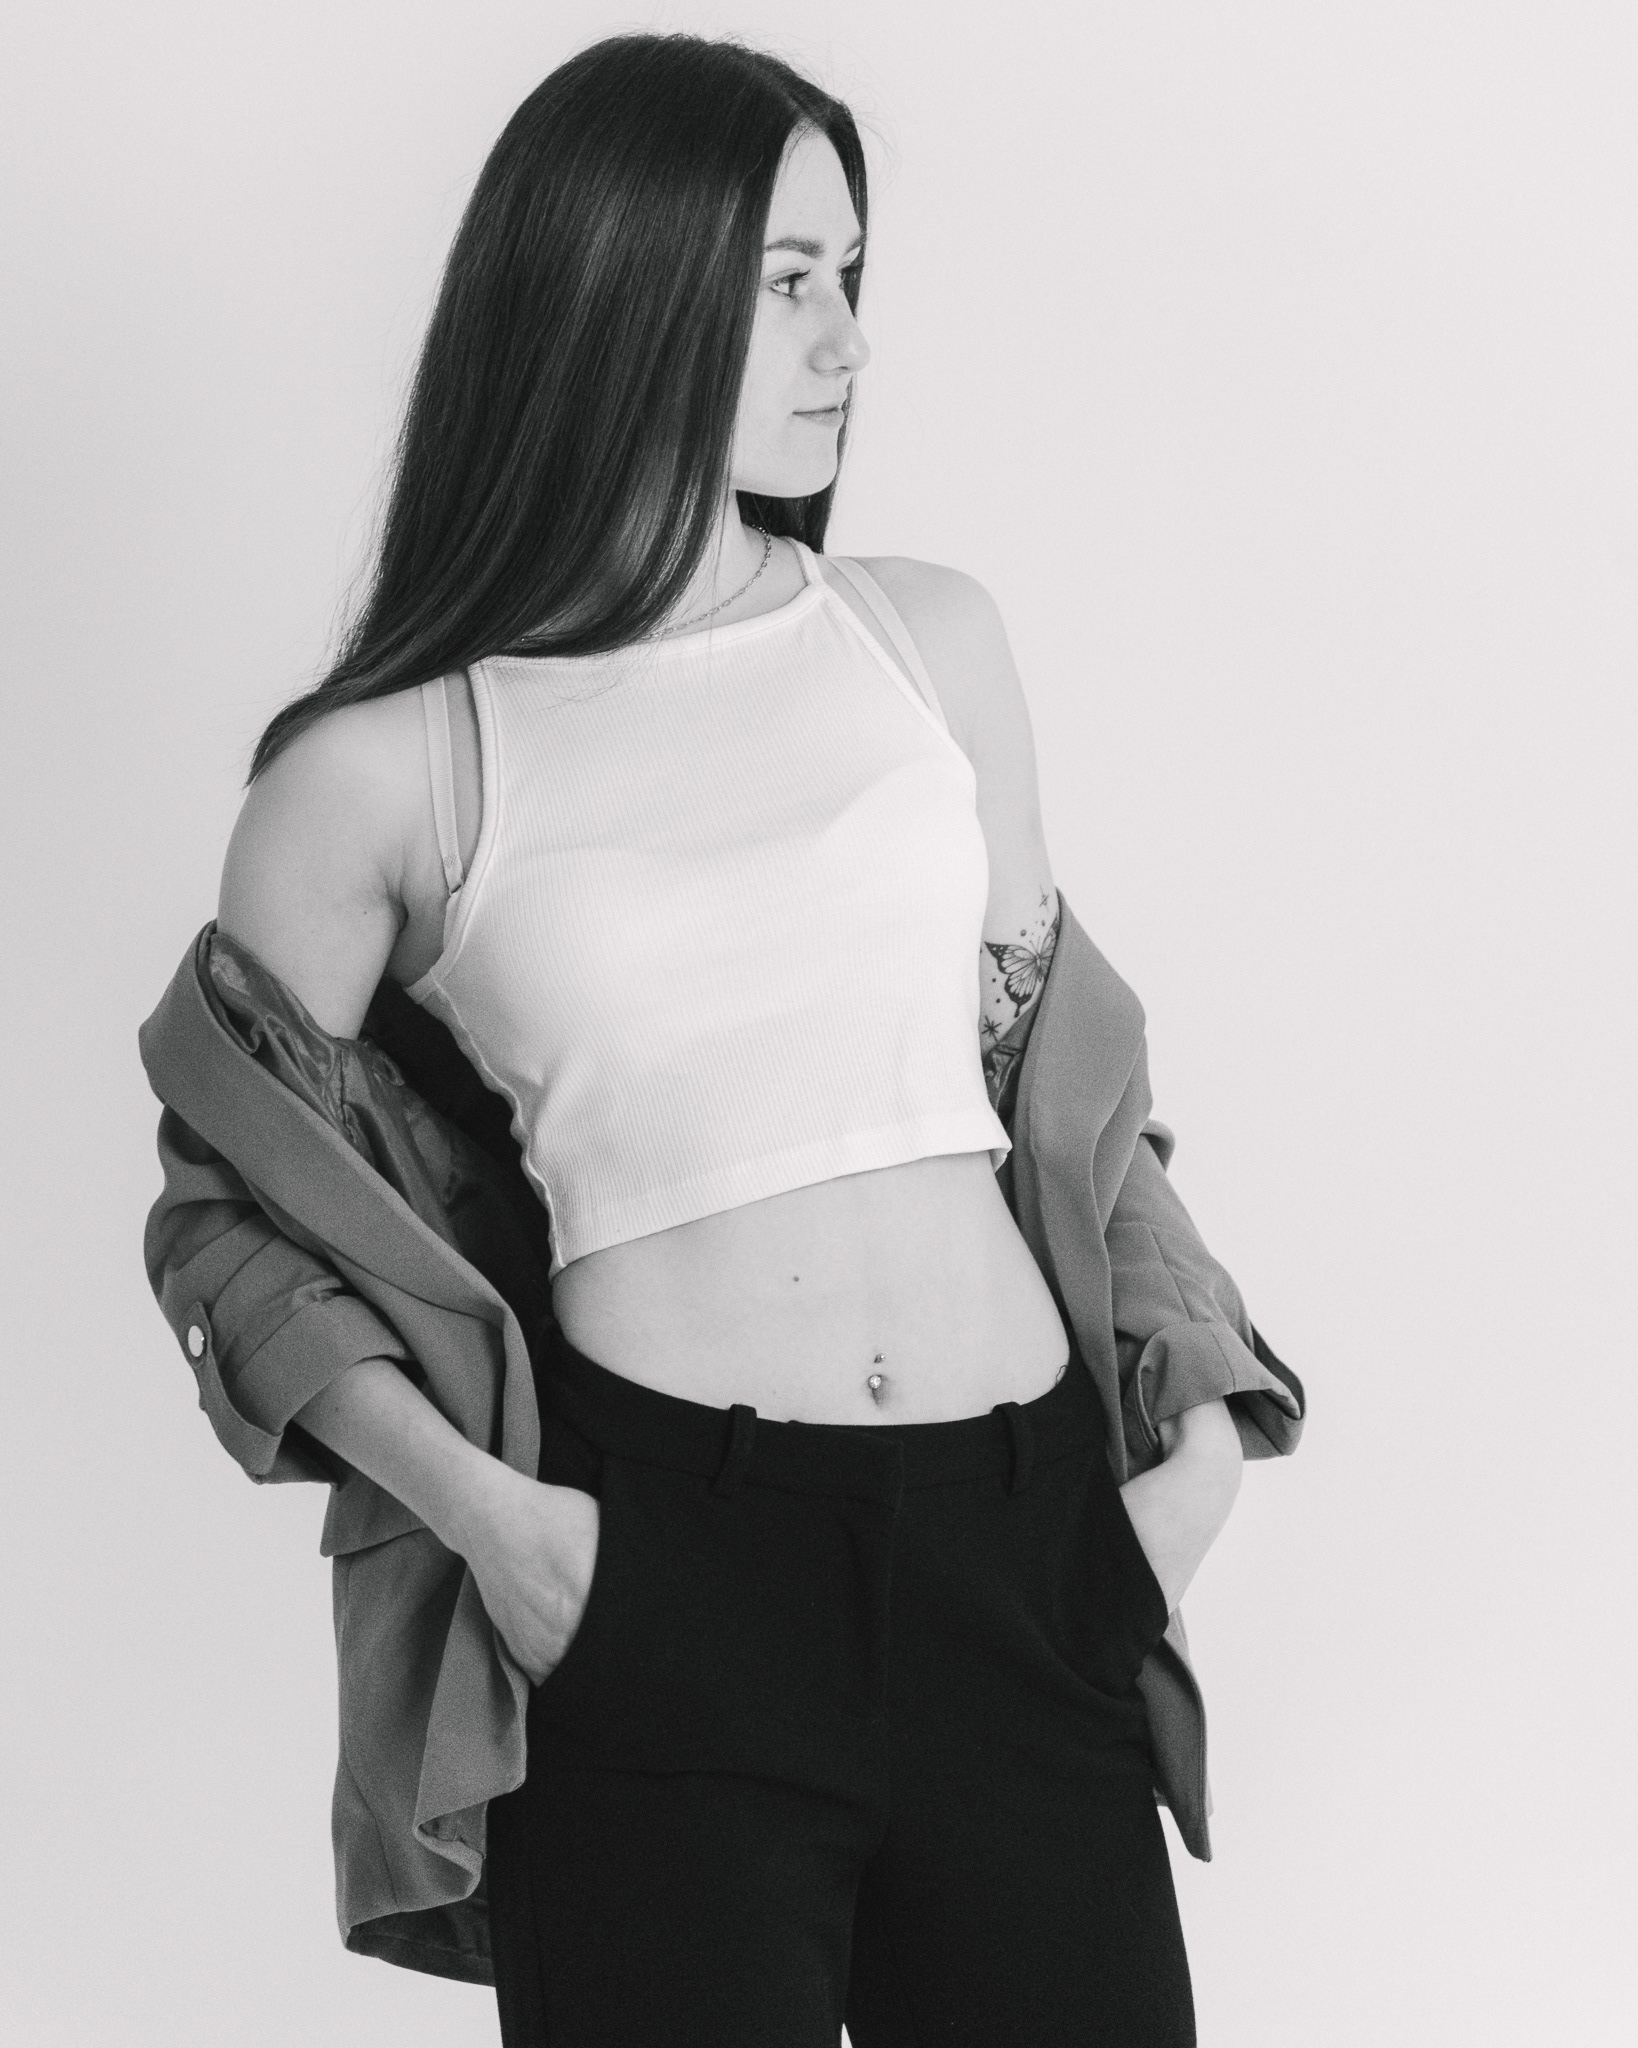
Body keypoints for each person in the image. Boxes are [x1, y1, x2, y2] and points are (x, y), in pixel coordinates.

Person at [139, 31, 1304, 2047]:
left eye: (853, 274)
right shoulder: (390, 771)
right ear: (624, 284)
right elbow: (228, 1225)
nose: (847, 337)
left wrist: (1196, 1450)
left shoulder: (925, 641)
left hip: (1029, 1552)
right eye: (786, 281)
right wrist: (508, 1536)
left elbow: (1072, 1109)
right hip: (656, 1584)